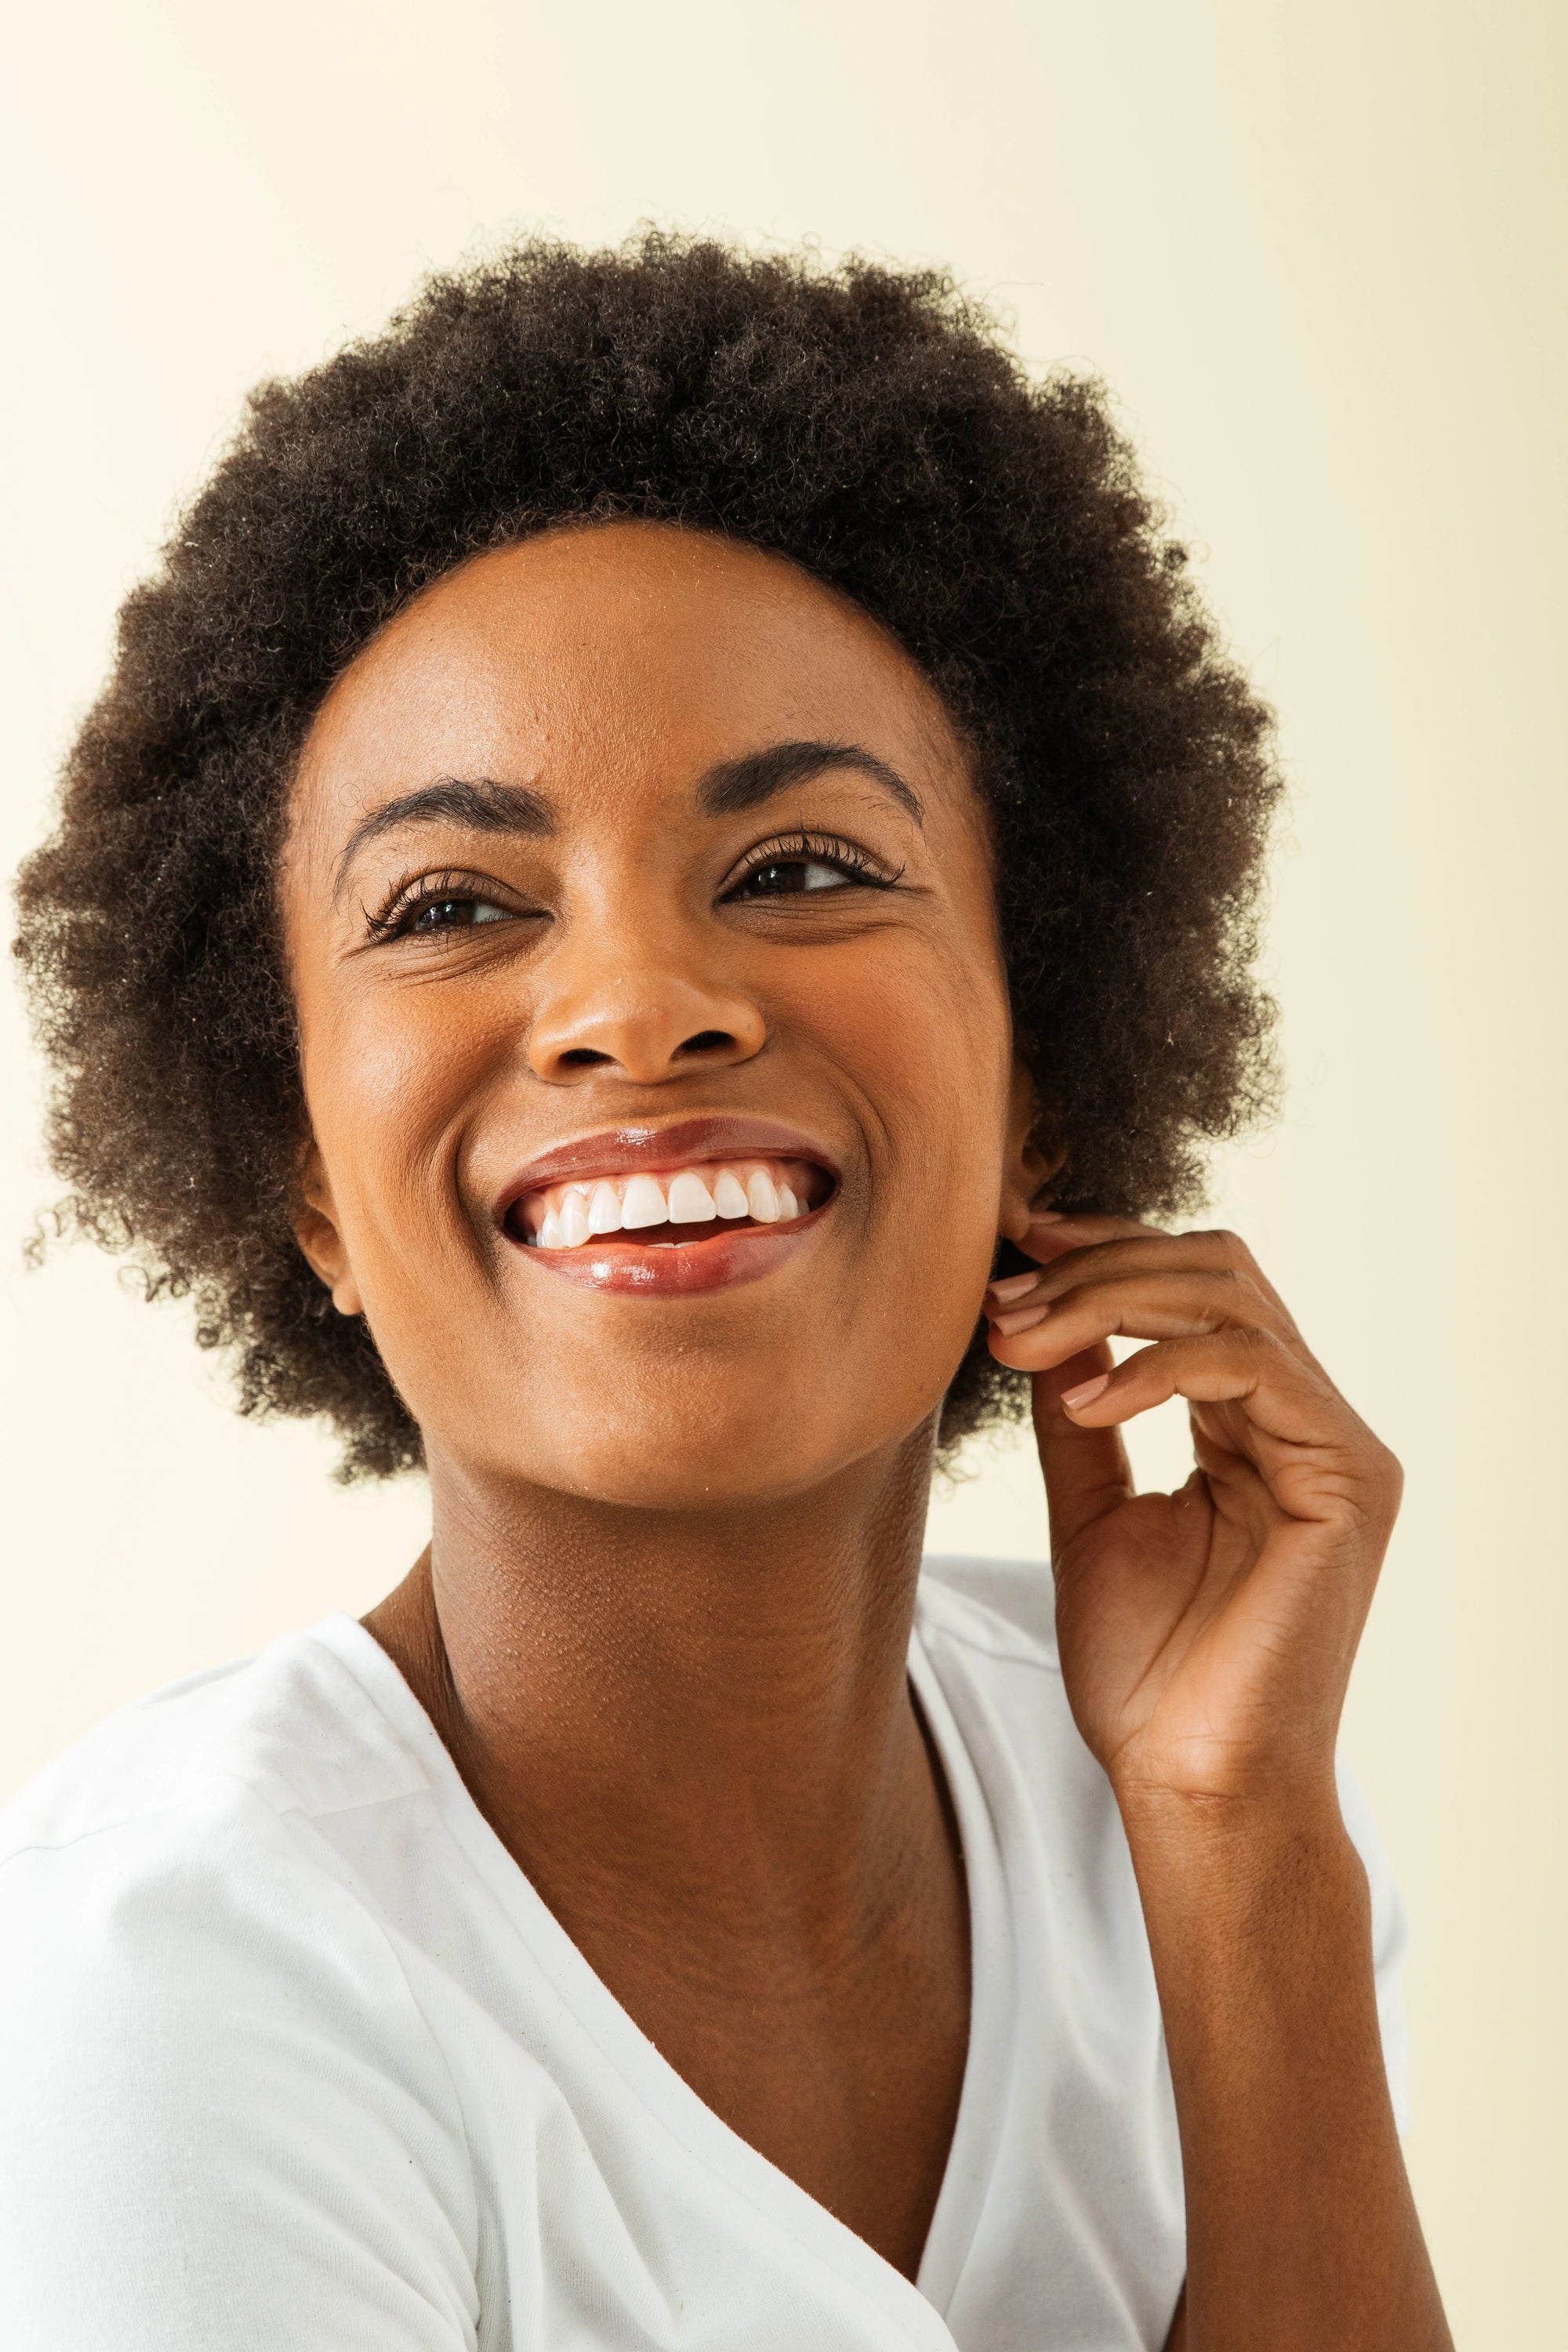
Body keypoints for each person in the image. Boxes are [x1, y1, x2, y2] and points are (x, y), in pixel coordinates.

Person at [3, 235, 1450, 2350]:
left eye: (800, 870)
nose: (639, 1005)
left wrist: (1247, 1852)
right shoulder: (171, 1985)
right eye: (453, 902)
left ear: (1039, 1071)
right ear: (299, 1174)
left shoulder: (1153, 1787)